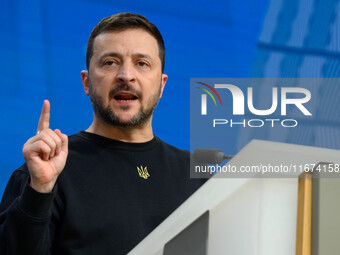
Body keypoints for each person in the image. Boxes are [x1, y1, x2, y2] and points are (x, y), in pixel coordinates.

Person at [0, 12, 205, 254]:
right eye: (110, 62)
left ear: (161, 85)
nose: (126, 76)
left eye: (142, 63)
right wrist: (40, 191)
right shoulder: (46, 172)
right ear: (86, 82)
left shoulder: (198, 177)